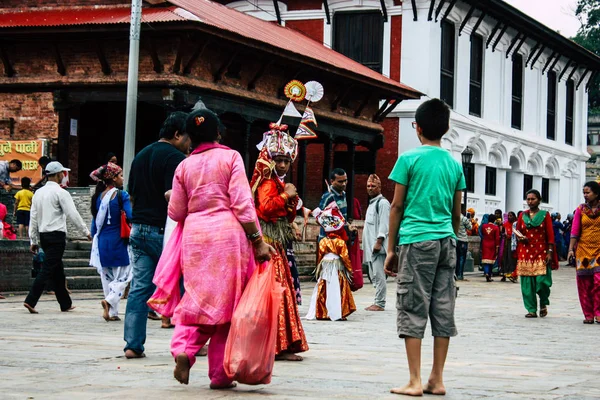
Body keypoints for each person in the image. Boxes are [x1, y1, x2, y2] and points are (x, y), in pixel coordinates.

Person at [149, 109, 274, 388]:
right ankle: (220, 374)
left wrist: (172, 198)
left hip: (195, 238)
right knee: (226, 307)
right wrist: (258, 240)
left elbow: (176, 212)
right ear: (218, 133)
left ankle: (184, 349)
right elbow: (242, 204)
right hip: (228, 238)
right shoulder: (230, 157)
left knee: (198, 300)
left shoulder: (184, 166)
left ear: (190, 137)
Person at [384, 99, 464, 396]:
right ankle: (437, 378)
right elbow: (457, 213)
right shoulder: (454, 164)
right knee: (443, 307)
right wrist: (450, 238)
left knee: (413, 306)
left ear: (417, 127)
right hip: (446, 241)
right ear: (446, 128)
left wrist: (391, 249)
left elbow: (396, 206)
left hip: (416, 240)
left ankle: (415, 380)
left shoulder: (408, 159)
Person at [123, 111, 190, 359]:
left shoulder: (140, 156)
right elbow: (175, 197)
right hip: (165, 232)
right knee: (185, 286)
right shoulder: (175, 158)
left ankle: (132, 344)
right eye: (187, 137)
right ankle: (187, 343)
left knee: (140, 288)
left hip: (138, 229)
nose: (189, 144)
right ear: (177, 134)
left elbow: (130, 195)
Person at [251, 122, 309, 361]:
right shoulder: (267, 182)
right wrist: (287, 195)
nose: (283, 165)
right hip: (269, 242)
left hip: (278, 240)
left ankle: (281, 343)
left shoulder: (277, 182)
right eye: (278, 160)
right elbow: (265, 207)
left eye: (286, 160)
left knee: (281, 289)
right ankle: (276, 345)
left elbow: (284, 211)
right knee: (275, 291)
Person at [23, 162, 91, 314]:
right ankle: (30, 299)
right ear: (58, 174)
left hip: (44, 236)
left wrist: (33, 240)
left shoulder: (38, 193)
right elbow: (72, 213)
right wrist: (85, 231)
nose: (63, 176)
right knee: (48, 268)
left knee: (57, 269)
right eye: (62, 173)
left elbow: (33, 218)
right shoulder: (61, 193)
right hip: (56, 235)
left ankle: (65, 303)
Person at [89, 163, 132, 322]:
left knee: (106, 277)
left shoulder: (98, 197)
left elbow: (94, 224)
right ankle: (110, 300)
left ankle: (112, 312)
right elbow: (130, 215)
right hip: (118, 240)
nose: (122, 178)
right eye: (120, 175)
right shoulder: (122, 195)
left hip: (102, 242)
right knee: (125, 275)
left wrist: (92, 236)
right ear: (113, 178)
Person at [306, 202, 356, 320]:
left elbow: (319, 257)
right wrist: (349, 269)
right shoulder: (340, 242)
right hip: (337, 268)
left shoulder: (323, 241)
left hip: (325, 268)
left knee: (324, 287)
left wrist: (319, 267)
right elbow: (345, 257)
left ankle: (323, 312)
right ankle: (338, 312)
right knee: (338, 288)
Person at [515, 189, 558, 318]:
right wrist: (521, 238)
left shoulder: (545, 215)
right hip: (525, 252)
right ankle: (531, 309)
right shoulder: (522, 215)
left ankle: (543, 302)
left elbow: (550, 235)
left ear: (539, 200)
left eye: (533, 199)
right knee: (527, 283)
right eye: (528, 199)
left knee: (542, 282)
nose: (530, 201)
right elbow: (518, 232)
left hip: (541, 251)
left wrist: (549, 252)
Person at [568, 181, 600, 324]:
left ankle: (598, 312)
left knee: (598, 282)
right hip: (583, 250)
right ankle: (588, 314)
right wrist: (570, 249)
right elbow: (575, 231)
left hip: (599, 250)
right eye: (584, 193)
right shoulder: (580, 210)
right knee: (584, 283)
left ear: (597, 193)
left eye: (588, 192)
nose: (585, 195)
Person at [362, 174, 391, 310]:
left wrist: (379, 242)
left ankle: (380, 303)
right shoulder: (372, 203)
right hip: (370, 247)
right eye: (368, 186)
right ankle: (377, 300)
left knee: (379, 274)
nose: (370, 188)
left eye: (373, 186)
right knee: (373, 274)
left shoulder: (383, 204)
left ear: (379, 187)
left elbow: (384, 226)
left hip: (377, 247)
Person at [479, 214, 499, 282]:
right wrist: (497, 247)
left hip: (485, 244)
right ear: (494, 220)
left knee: (485, 260)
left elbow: (481, 234)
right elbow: (496, 238)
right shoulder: (496, 228)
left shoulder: (484, 226)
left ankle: (486, 272)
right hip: (492, 245)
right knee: (491, 260)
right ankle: (489, 275)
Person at [455, 205, 472, 281]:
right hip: (463, 240)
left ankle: (455, 274)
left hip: (455, 239)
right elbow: (470, 227)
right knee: (462, 258)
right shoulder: (464, 218)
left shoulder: (453, 217)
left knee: (455, 257)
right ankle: (460, 275)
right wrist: (470, 220)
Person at [500, 211, 518, 283]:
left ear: (514, 216)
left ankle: (512, 274)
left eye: (511, 216)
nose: (510, 217)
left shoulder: (516, 224)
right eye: (509, 216)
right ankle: (504, 274)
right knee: (505, 258)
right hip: (506, 242)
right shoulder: (505, 224)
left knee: (512, 259)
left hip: (514, 242)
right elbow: (502, 232)